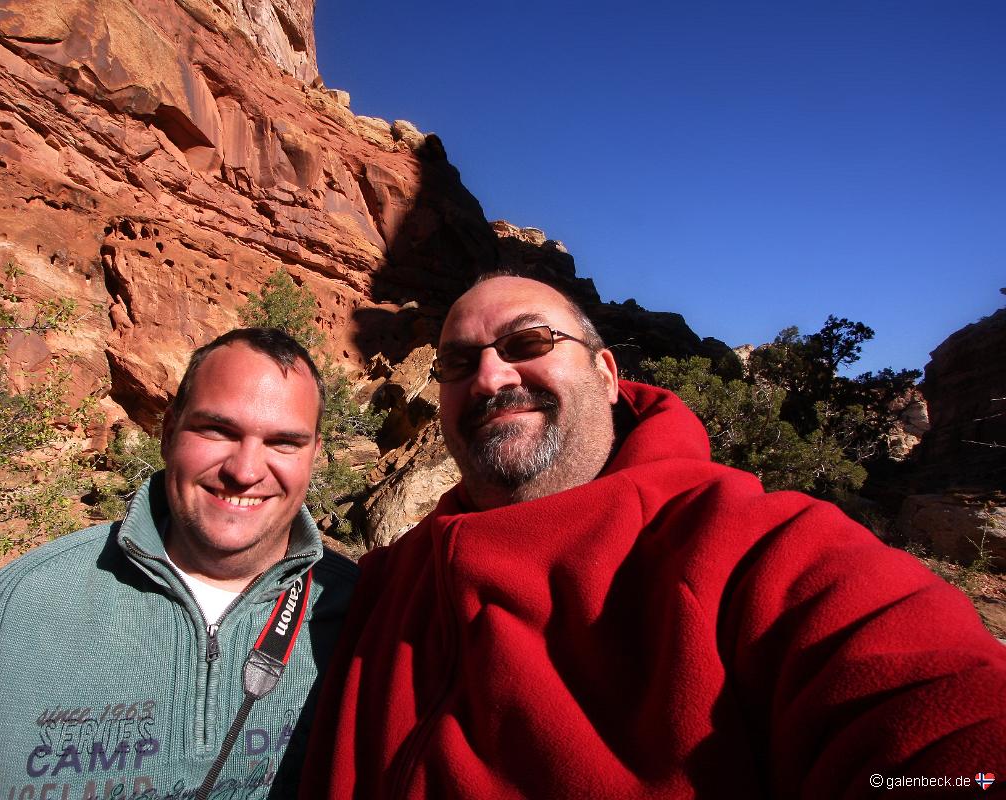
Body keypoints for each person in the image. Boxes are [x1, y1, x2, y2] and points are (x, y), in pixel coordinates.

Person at [301, 275, 1006, 798]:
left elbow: (949, 728)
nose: (490, 375)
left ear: (606, 375)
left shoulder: (752, 544)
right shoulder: (389, 577)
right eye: (458, 363)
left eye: (528, 343)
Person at [0, 328, 357, 800]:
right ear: (168, 433)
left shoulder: (362, 615)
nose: (246, 470)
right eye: (217, 430)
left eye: (284, 443)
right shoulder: (9, 614)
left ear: (314, 455)